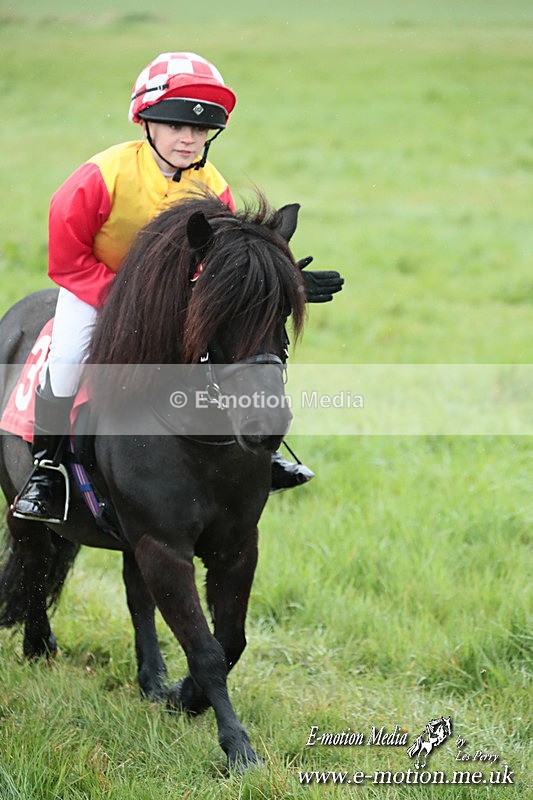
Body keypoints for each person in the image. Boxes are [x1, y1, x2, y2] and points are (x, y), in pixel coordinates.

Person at [13, 51, 340, 524]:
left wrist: (282, 284)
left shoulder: (213, 187)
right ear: (145, 123)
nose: (188, 139)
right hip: (95, 289)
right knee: (66, 360)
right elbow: (67, 257)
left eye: (200, 130)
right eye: (175, 125)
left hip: (174, 300)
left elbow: (224, 264)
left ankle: (260, 452)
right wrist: (125, 300)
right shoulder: (100, 176)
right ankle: (46, 469)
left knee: (233, 350)